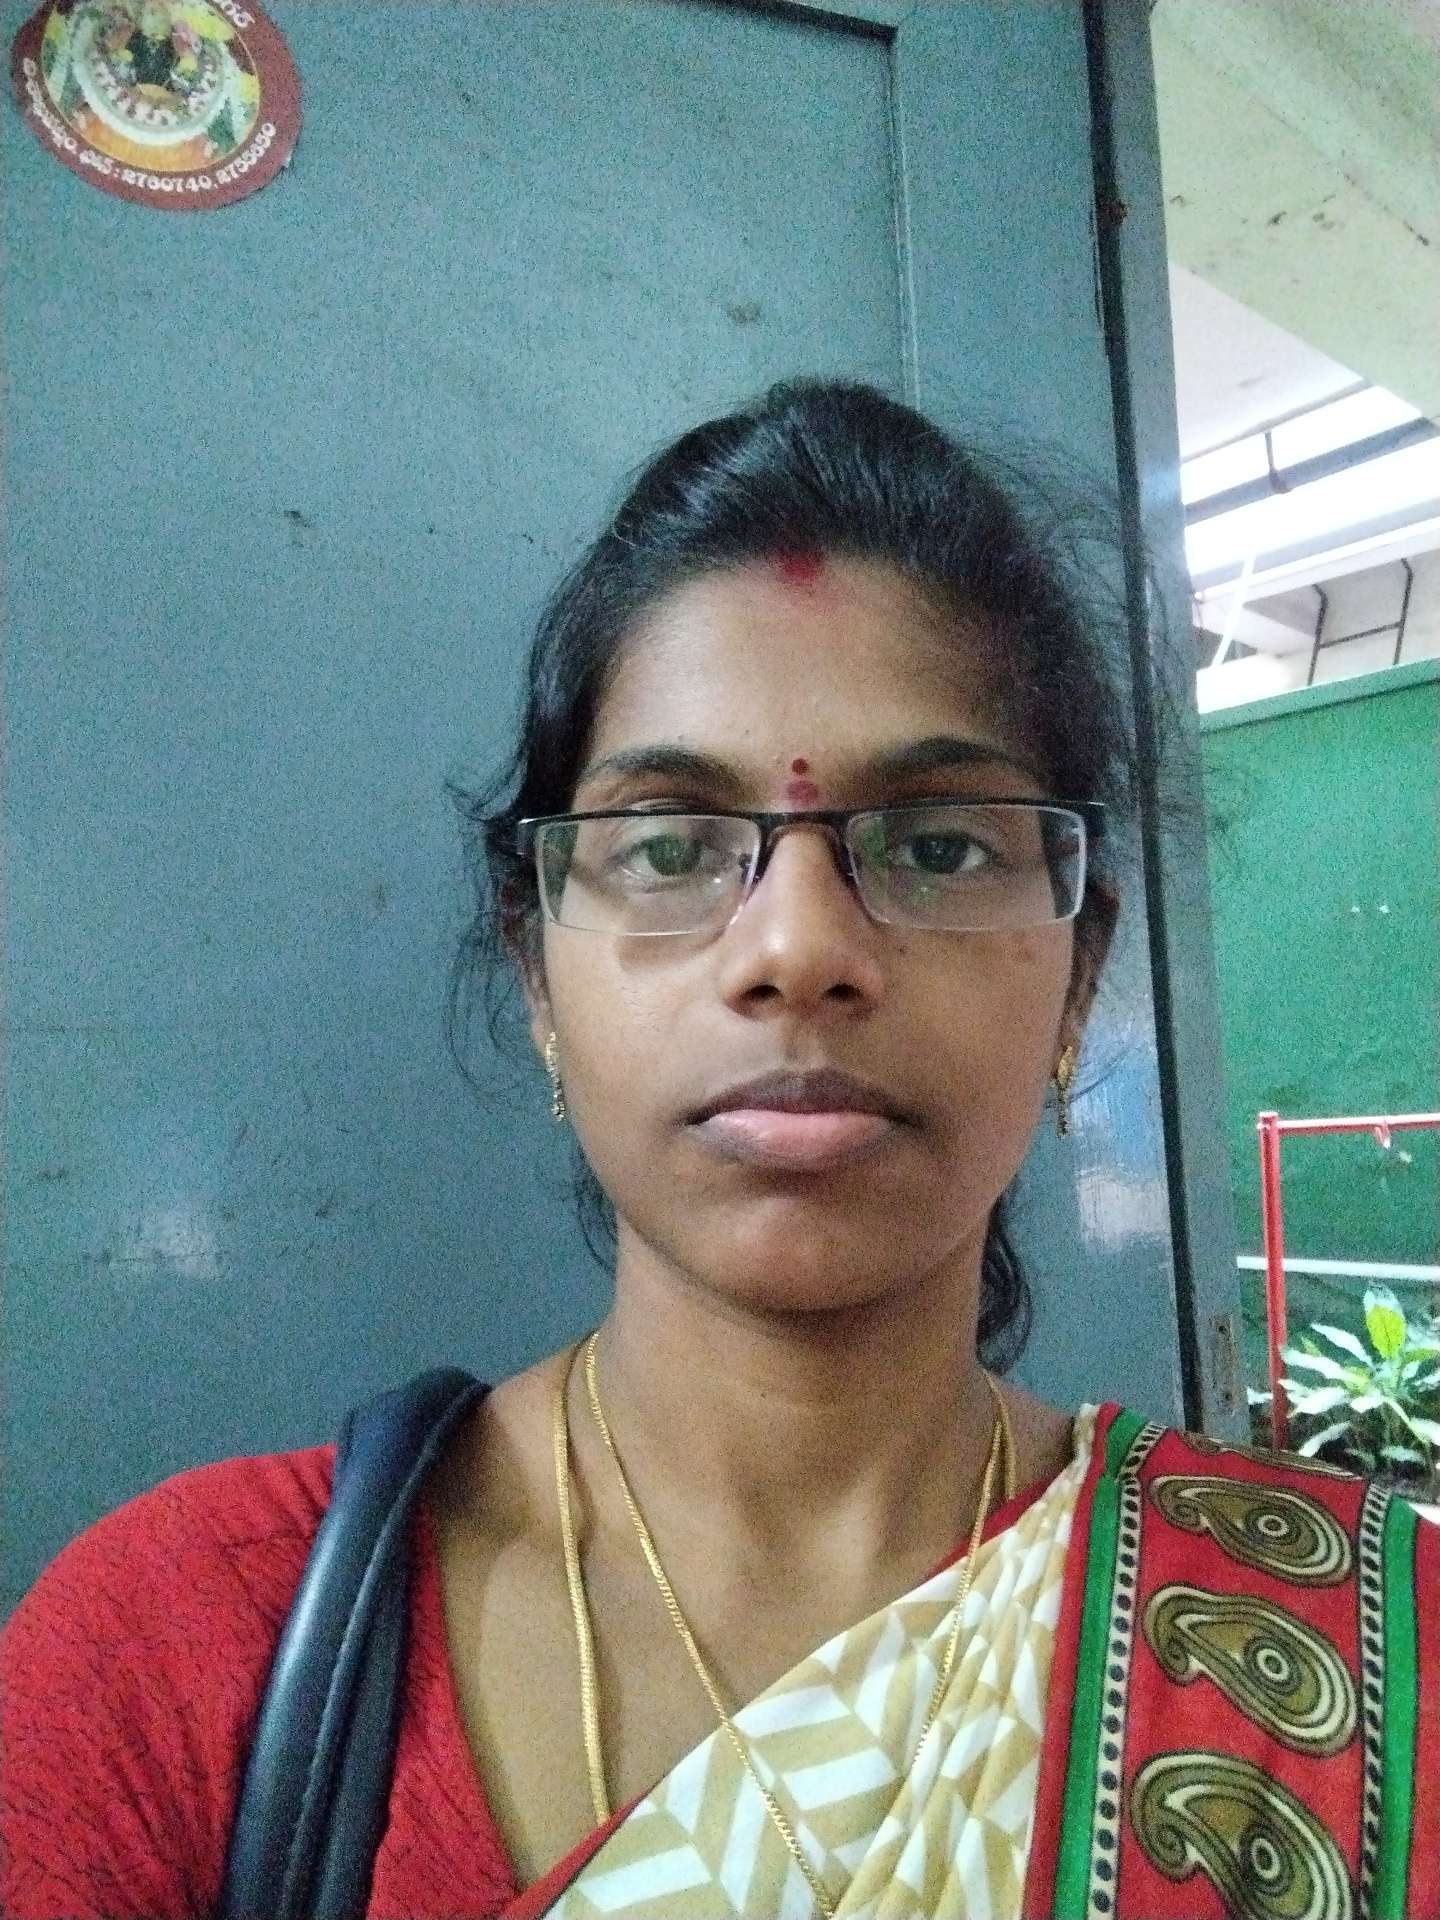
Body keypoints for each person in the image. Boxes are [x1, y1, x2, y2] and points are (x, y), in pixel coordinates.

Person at [3, 380, 1435, 1920]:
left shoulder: (1364, 1672)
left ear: (1077, 981)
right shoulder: (164, 1660)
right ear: (539, 978)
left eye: (938, 844)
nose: (798, 950)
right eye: (673, 846)